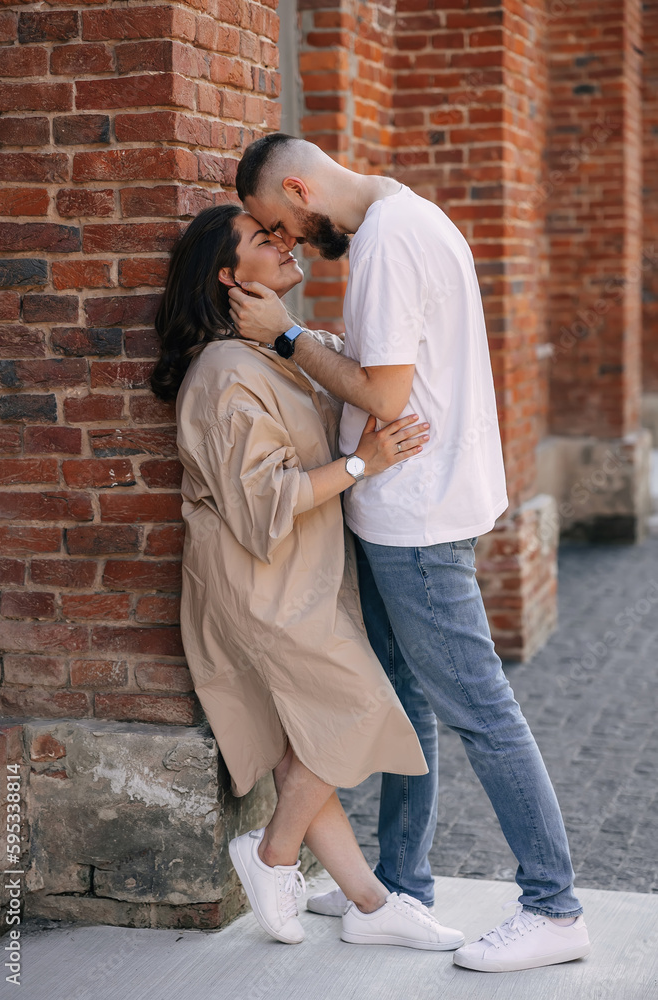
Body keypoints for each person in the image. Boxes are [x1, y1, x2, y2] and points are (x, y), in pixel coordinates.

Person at [227, 133, 591, 973]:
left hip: (416, 519)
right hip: (410, 506)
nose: (283, 239)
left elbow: (387, 395)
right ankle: (401, 884)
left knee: (480, 710)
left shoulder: (388, 239)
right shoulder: (407, 215)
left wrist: (286, 336)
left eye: (276, 221)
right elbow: (399, 368)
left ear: (297, 188)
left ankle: (554, 907)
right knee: (405, 700)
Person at [150, 203, 467, 952]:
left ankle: (370, 904)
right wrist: (364, 464)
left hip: (300, 576)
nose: (286, 243)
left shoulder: (272, 350)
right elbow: (264, 501)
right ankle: (272, 856)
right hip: (261, 584)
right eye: (265, 239)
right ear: (229, 278)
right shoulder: (225, 373)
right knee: (354, 709)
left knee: (307, 742)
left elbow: (362, 368)